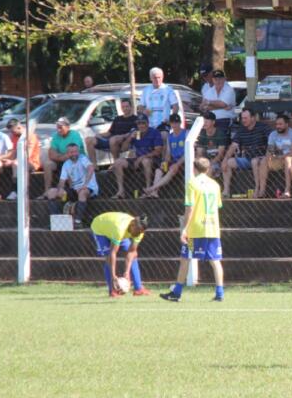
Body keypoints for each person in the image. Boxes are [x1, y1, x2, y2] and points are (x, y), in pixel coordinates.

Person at [161, 157, 225, 302]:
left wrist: (185, 228)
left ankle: (176, 292)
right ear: (208, 169)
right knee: (215, 260)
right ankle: (220, 293)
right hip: (212, 228)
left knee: (185, 258)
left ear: (194, 169)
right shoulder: (215, 185)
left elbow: (189, 207)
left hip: (195, 230)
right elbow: (217, 207)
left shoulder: (193, 183)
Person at [90, 212, 151, 298]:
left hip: (115, 231)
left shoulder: (139, 231)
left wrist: (127, 272)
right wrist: (114, 276)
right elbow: (113, 253)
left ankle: (138, 289)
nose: (137, 234)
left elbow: (131, 252)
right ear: (132, 224)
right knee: (109, 258)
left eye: (140, 232)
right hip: (100, 229)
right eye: (137, 231)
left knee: (134, 255)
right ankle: (113, 291)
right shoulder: (120, 229)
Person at [46, 143, 98, 229]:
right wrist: (61, 189)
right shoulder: (66, 164)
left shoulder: (83, 159)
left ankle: (78, 221)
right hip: (74, 189)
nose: (74, 154)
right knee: (51, 192)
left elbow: (91, 168)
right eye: (71, 152)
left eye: (75, 151)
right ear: (67, 153)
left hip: (88, 188)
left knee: (82, 192)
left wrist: (85, 184)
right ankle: (56, 221)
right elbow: (62, 180)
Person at [222, 108, 270, 198]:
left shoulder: (263, 127)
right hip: (247, 158)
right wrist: (225, 159)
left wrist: (267, 156)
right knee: (228, 163)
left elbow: (272, 142)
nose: (243, 120)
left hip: (261, 158)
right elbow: (233, 145)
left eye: (245, 118)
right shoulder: (241, 130)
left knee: (254, 161)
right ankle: (226, 191)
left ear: (253, 118)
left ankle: (258, 190)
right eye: (242, 118)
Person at [111, 114, 163, 199]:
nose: (141, 125)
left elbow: (158, 150)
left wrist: (142, 157)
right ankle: (121, 191)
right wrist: (130, 138)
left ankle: (148, 190)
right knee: (118, 162)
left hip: (152, 160)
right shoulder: (136, 133)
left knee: (145, 161)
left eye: (143, 123)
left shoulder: (154, 132)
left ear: (147, 123)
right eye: (139, 123)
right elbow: (123, 149)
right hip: (137, 159)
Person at [143, 113, 187, 198]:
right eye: (173, 123)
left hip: (184, 161)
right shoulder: (169, 137)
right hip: (173, 161)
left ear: (180, 123)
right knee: (159, 170)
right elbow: (168, 153)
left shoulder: (186, 133)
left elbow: (187, 153)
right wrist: (165, 162)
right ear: (170, 124)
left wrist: (177, 164)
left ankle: (151, 188)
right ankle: (154, 193)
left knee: (172, 169)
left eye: (176, 122)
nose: (175, 125)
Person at [41, 117, 85, 197]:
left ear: (68, 127)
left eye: (60, 127)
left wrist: (59, 156)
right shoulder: (56, 136)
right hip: (61, 160)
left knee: (68, 163)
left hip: (76, 160)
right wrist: (61, 157)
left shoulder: (75, 135)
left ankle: (74, 191)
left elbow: (73, 153)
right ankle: (47, 191)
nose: (58, 130)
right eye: (57, 127)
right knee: (47, 164)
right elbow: (51, 153)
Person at [85, 98, 137, 164]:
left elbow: (132, 133)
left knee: (113, 139)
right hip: (111, 140)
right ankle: (94, 166)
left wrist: (121, 136)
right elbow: (110, 132)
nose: (125, 108)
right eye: (123, 107)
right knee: (88, 139)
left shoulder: (135, 119)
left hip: (124, 142)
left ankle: (116, 163)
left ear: (131, 107)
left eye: (127, 106)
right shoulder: (117, 118)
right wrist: (99, 135)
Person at [261, 114, 292, 198]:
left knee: (287, 159)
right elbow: (270, 150)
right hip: (279, 159)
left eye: (280, 124)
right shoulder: (273, 134)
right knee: (264, 160)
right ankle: (262, 191)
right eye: (276, 124)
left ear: (287, 124)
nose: (278, 126)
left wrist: (281, 157)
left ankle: (287, 190)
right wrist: (269, 158)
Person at [3, 119, 41, 200]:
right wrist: (8, 159)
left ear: (19, 127)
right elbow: (13, 151)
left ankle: (15, 191)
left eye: (13, 131)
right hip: (19, 161)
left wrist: (13, 161)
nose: (12, 134)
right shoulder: (14, 136)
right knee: (12, 164)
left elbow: (28, 155)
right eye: (11, 132)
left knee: (15, 164)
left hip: (32, 162)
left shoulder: (31, 136)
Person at [139, 67, 179, 134]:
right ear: (150, 78)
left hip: (163, 122)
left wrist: (171, 119)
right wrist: (144, 111)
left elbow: (175, 106)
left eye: (159, 77)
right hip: (148, 124)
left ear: (162, 77)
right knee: (139, 137)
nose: (157, 80)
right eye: (155, 78)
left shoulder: (168, 89)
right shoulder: (146, 90)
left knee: (163, 136)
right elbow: (141, 107)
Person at [200, 70, 236, 138]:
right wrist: (222, 107)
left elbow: (222, 104)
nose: (218, 81)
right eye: (216, 79)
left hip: (225, 120)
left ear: (224, 79)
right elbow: (204, 107)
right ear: (213, 80)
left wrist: (209, 102)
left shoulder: (229, 90)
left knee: (219, 135)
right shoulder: (208, 92)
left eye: (220, 78)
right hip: (210, 120)